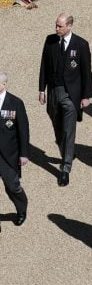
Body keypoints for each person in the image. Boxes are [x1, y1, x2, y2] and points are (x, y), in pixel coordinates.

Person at [39, 12, 92, 186]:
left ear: (69, 26)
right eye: (56, 25)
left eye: (60, 26)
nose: (56, 29)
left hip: (71, 95)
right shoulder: (50, 41)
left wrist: (85, 96)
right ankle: (67, 151)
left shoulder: (81, 45)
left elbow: (86, 73)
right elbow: (44, 66)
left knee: (69, 131)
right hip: (54, 91)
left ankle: (65, 168)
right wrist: (42, 89)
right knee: (58, 128)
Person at [0, 73, 29, 226]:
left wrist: (24, 154)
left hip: (8, 155)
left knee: (12, 186)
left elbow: (23, 130)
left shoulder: (16, 103)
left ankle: (21, 209)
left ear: (4, 84)